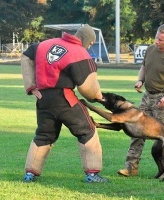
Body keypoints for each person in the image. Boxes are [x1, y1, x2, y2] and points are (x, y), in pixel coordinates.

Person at [21, 24, 109, 183]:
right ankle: (92, 174)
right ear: (85, 39)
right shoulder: (79, 52)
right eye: (90, 43)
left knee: (44, 135)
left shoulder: (45, 44)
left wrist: (31, 86)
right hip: (65, 98)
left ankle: (30, 174)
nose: (89, 47)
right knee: (87, 130)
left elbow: (26, 56)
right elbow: (87, 88)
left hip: (42, 99)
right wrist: (98, 96)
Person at [118, 24, 164, 178]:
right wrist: (140, 81)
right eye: (156, 37)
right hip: (147, 97)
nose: (157, 41)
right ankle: (131, 168)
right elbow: (144, 67)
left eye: (161, 40)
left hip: (163, 100)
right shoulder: (150, 50)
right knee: (135, 131)